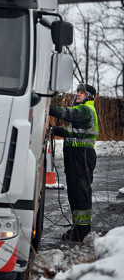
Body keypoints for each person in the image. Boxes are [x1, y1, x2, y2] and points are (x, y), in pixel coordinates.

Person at [49, 83, 99, 242]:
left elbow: (67, 113)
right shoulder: (83, 111)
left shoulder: (85, 110)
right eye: (78, 92)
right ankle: (78, 228)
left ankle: (82, 231)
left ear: (89, 96)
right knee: (75, 194)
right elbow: (72, 132)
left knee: (81, 194)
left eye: (82, 93)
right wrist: (54, 130)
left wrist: (47, 107)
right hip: (76, 157)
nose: (78, 94)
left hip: (82, 157)